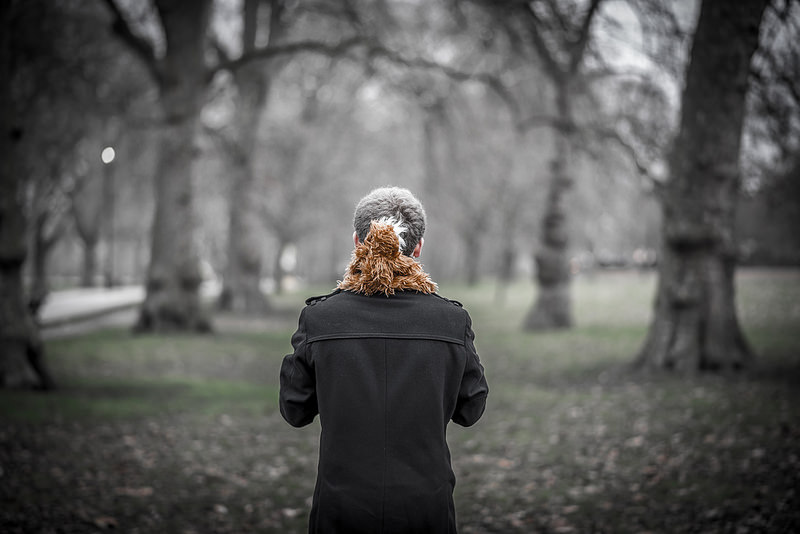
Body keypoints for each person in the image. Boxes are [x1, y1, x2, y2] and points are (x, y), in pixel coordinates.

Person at [279, 186, 489, 533]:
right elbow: (471, 410)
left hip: (342, 508)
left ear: (357, 242)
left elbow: (294, 410)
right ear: (418, 247)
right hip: (426, 507)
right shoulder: (452, 321)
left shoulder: (320, 319)